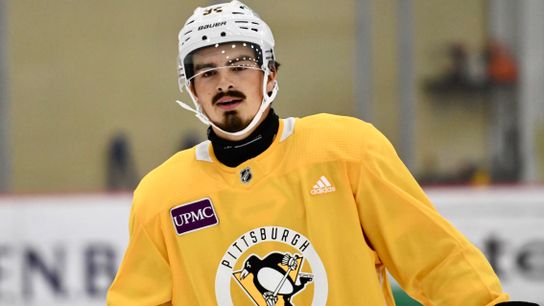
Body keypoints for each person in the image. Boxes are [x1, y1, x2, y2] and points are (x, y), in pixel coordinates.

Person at [107, 1, 535, 305]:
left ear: (270, 75)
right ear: (192, 92)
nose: (225, 83)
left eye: (240, 66)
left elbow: (430, 255)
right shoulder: (162, 195)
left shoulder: (348, 150)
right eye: (207, 73)